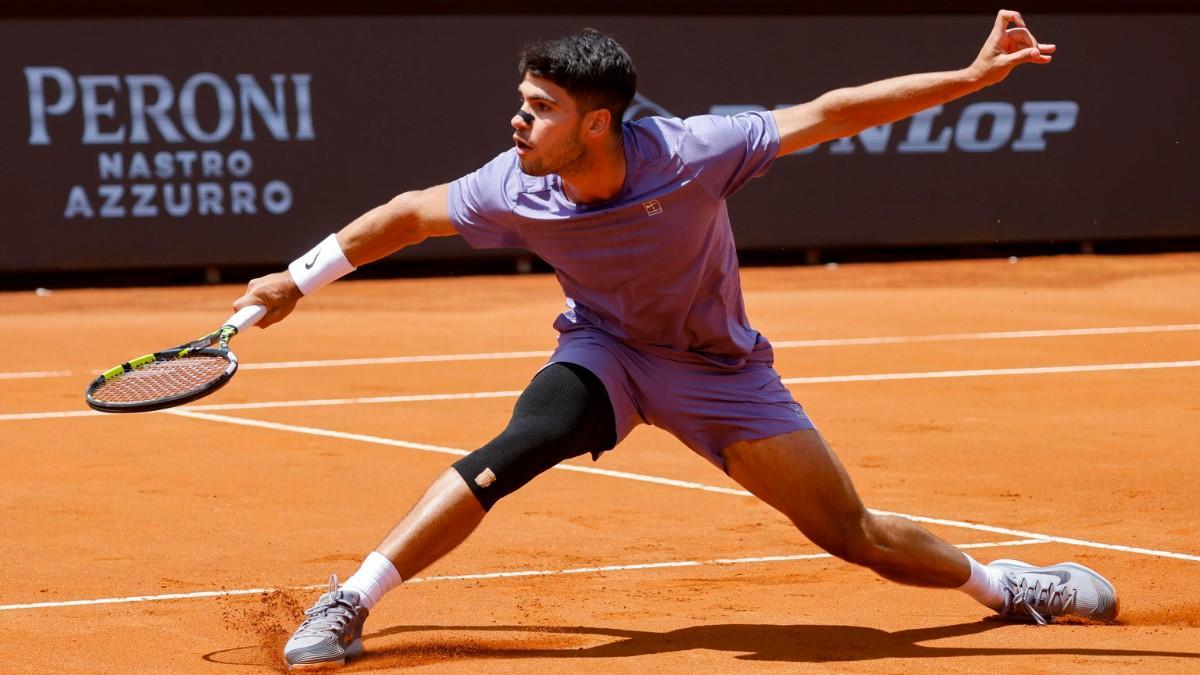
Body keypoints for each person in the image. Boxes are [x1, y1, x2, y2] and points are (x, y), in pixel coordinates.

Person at [234, 11, 1118, 669]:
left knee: (853, 533)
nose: (518, 121)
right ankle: (352, 601)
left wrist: (966, 79)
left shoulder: (696, 151)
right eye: (521, 101)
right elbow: (404, 217)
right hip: (606, 354)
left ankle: (1010, 587)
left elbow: (835, 110)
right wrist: (297, 279)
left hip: (718, 373)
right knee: (516, 445)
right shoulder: (512, 184)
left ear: (597, 122)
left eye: (540, 107)